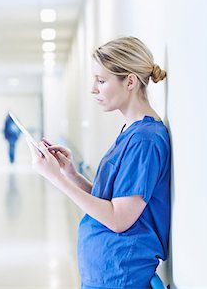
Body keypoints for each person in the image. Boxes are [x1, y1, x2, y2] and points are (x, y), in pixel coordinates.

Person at [26, 36, 170, 289]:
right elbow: (111, 201)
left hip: (121, 277)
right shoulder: (131, 131)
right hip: (107, 274)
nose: (94, 89)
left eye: (101, 81)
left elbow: (119, 219)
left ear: (130, 81)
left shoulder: (145, 140)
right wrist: (70, 174)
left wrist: (55, 179)